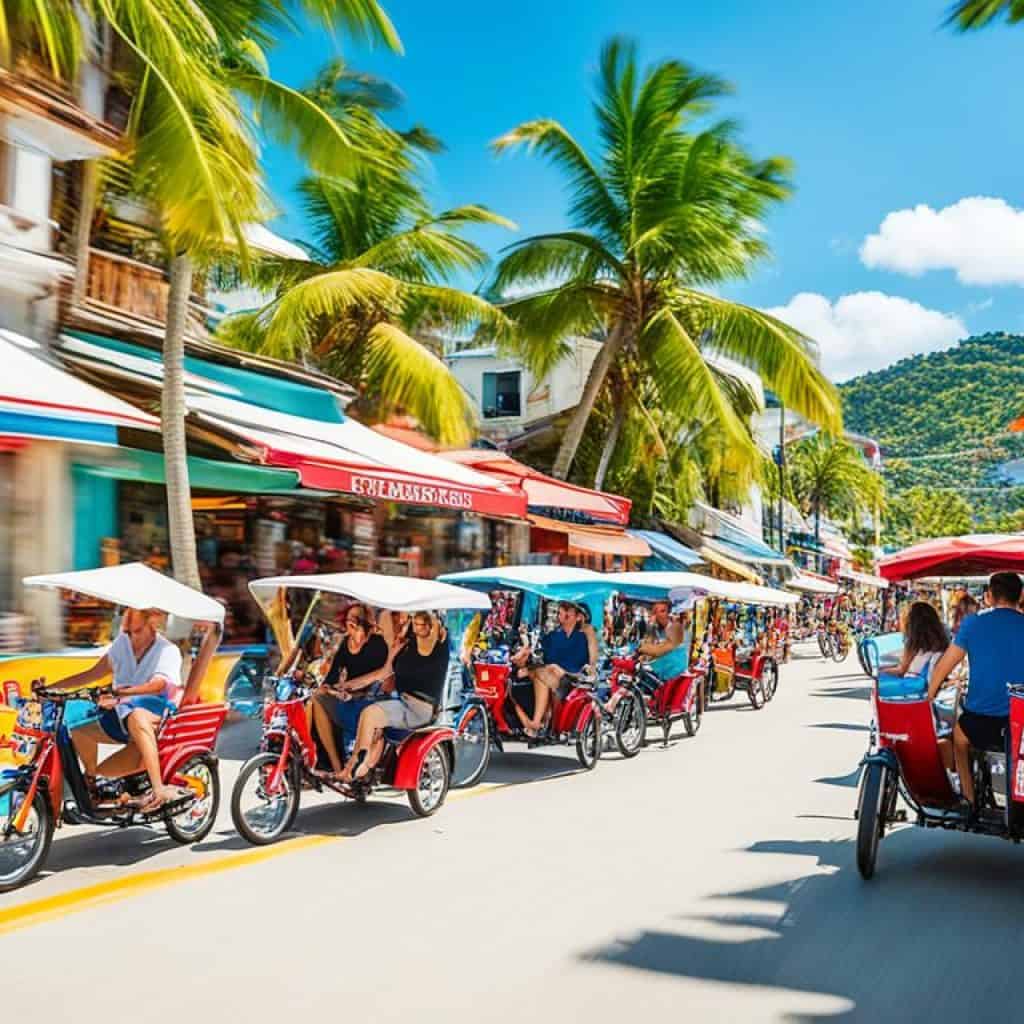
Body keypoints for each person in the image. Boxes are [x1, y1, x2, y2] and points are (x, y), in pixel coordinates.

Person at [46, 608, 193, 811]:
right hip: (120, 715)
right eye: (127, 632)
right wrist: (51, 688)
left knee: (137, 716)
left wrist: (122, 694)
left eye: (137, 631)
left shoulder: (167, 650)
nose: (132, 637)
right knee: (77, 722)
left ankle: (158, 789)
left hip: (155, 715)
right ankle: (90, 784)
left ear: (152, 624)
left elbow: (158, 685)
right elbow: (93, 673)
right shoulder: (122, 644)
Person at [928, 571, 1024, 810]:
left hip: (979, 723)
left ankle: (969, 799)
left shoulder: (973, 623)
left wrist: (928, 695)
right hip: (1019, 723)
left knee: (959, 739)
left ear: (989, 596)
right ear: (1020, 596)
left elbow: (945, 666)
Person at [341, 610, 450, 781]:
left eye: (420, 623)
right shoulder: (407, 644)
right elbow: (384, 672)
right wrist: (346, 686)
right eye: (414, 622)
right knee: (366, 714)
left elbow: (435, 627)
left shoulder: (438, 641)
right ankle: (362, 770)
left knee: (370, 714)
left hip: (420, 709)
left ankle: (354, 767)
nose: (414, 625)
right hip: (402, 702)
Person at [310, 604, 391, 779]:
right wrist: (326, 686)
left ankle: (357, 767)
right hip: (347, 698)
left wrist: (349, 688)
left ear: (364, 623)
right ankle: (336, 765)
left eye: (354, 621)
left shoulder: (377, 643)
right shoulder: (346, 643)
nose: (350, 625)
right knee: (317, 698)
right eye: (348, 620)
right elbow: (332, 675)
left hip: (369, 700)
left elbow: (380, 676)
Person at [511, 601, 598, 737]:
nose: (562, 613)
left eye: (567, 610)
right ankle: (536, 723)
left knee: (543, 671)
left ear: (579, 616)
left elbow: (592, 660)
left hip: (573, 677)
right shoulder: (553, 636)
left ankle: (536, 723)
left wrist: (589, 669)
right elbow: (537, 654)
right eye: (561, 610)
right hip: (550, 675)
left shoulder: (586, 633)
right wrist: (524, 650)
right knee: (530, 673)